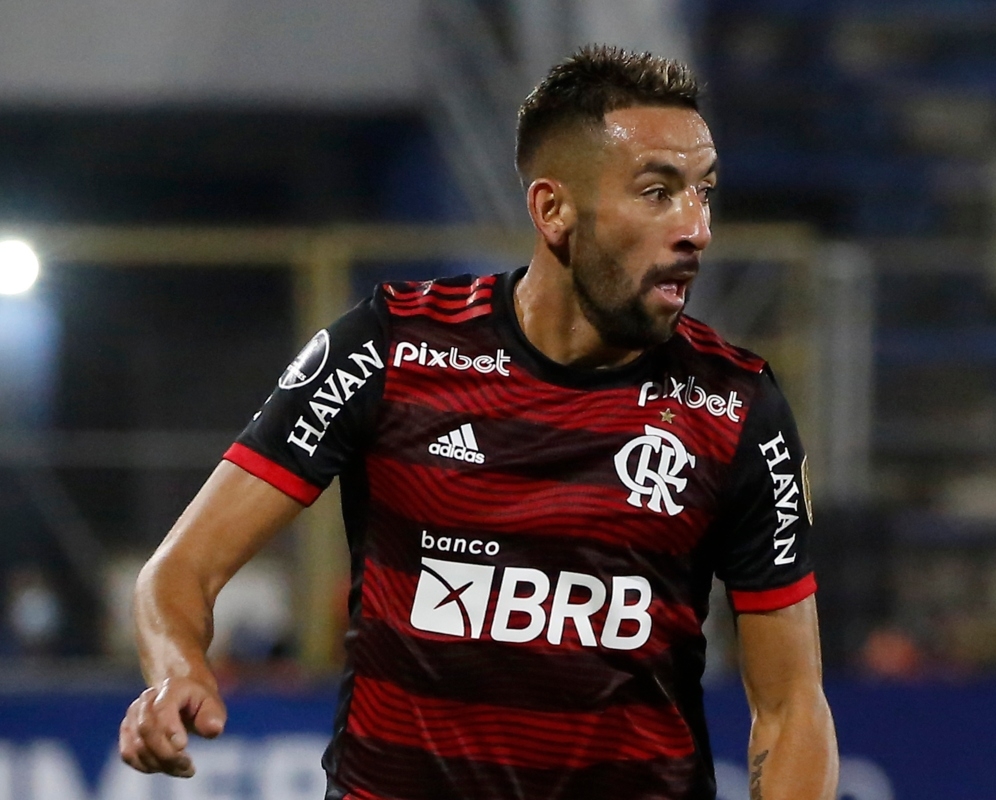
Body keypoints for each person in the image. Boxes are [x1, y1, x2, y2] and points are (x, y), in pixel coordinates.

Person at [118, 45, 838, 800]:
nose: (698, 228)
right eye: (658, 192)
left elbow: (791, 708)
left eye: (704, 192)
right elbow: (178, 572)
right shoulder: (390, 348)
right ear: (552, 210)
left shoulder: (735, 405)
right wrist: (178, 672)